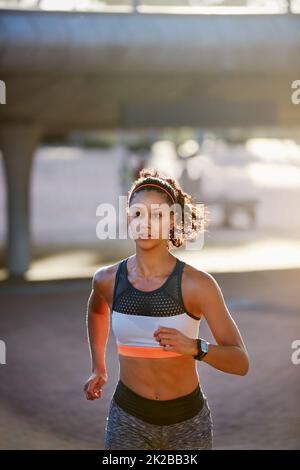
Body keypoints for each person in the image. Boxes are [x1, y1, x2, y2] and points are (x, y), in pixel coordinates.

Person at [84, 168, 249, 450]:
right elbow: (97, 310)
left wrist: (196, 347)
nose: (146, 223)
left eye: (157, 215)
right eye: (138, 214)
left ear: (172, 219)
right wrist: (98, 366)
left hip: (188, 423)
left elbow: (240, 361)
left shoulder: (198, 284)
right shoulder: (107, 280)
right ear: (127, 218)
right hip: (128, 419)